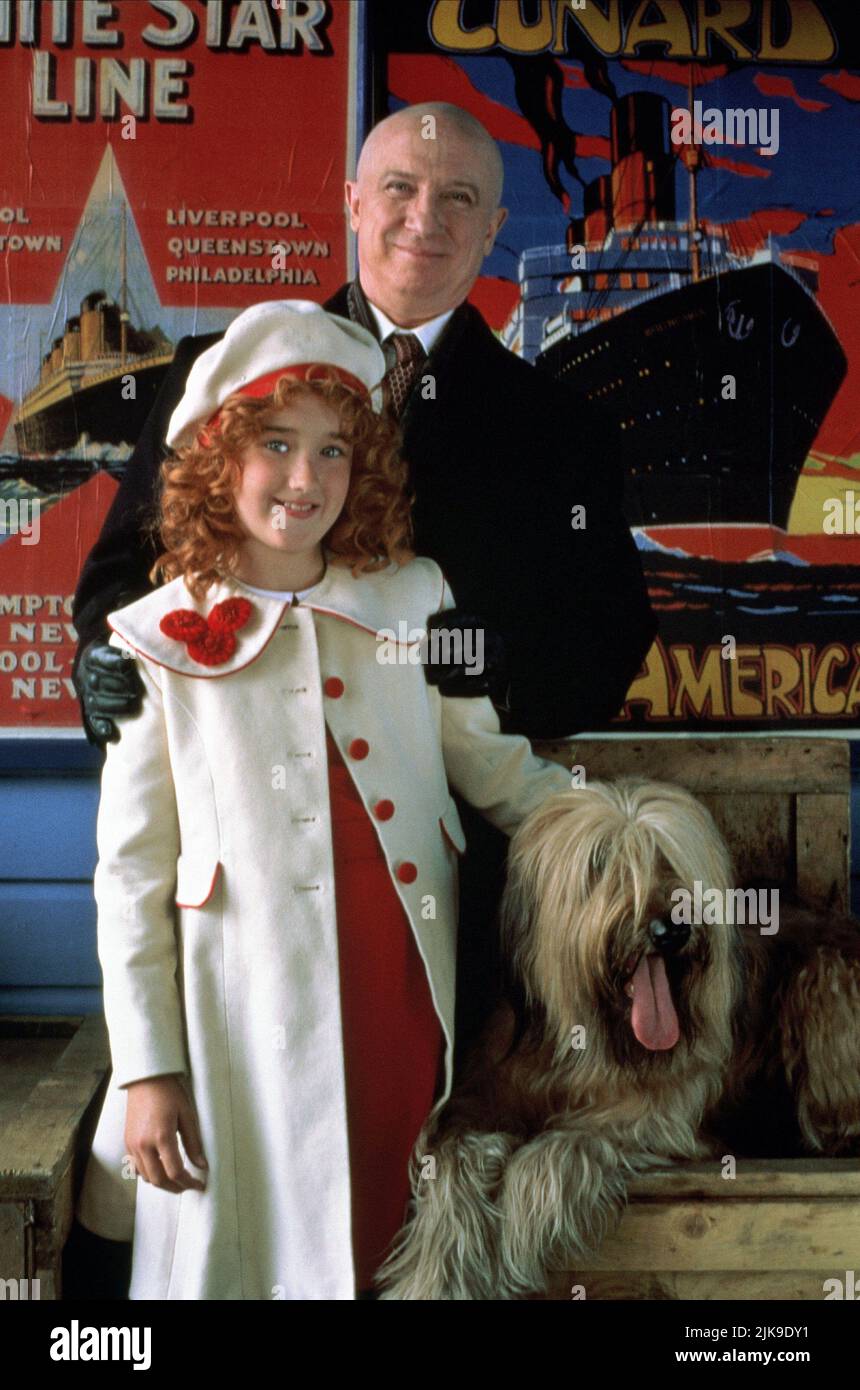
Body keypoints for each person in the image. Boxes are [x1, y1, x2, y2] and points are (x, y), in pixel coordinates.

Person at [72, 100, 655, 1067]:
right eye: (400, 187)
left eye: (458, 197)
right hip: (243, 903)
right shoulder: (217, 377)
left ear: (493, 230)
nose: (425, 218)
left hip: (461, 899)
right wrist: (103, 664)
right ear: (352, 202)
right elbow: (117, 589)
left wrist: (497, 669)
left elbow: (610, 636)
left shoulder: (562, 430)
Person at [74, 300, 575, 1300]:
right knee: (247, 1245)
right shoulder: (154, 638)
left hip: (398, 989)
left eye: (335, 451)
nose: (306, 480)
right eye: (275, 445)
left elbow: (494, 768)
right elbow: (128, 877)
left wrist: (616, 835)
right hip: (235, 1015)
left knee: (390, 1229)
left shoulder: (413, 597)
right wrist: (148, 1071)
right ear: (219, 456)